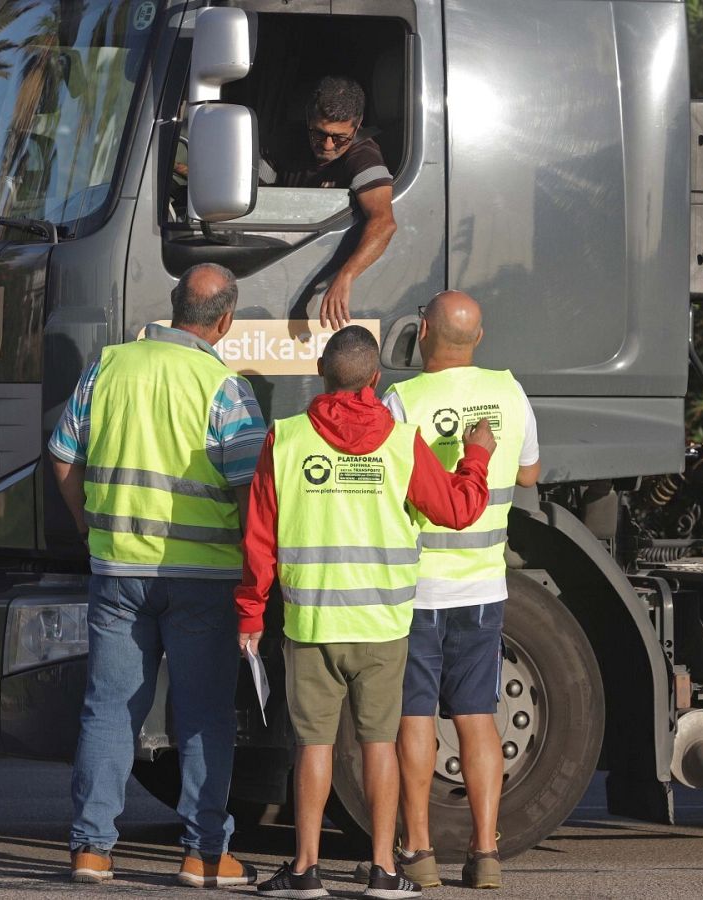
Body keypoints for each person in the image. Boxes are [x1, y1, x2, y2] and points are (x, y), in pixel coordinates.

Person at [235, 325, 496, 900]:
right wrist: (476, 455)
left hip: (311, 626)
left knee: (313, 747)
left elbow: (259, 539)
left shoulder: (286, 439)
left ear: (323, 374)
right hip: (383, 626)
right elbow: (457, 510)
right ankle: (383, 868)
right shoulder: (404, 443)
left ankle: (305, 870)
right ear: (376, 380)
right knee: (379, 745)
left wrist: (251, 613)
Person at [47, 263, 267, 888]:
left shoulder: (109, 366)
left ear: (174, 308)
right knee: (202, 715)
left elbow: (63, 453)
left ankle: (91, 849)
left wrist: (90, 524)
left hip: (117, 570)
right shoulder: (223, 388)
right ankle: (204, 855)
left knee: (111, 708)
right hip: (203, 578)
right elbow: (250, 487)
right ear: (224, 321)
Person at [379, 291, 540, 891]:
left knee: (414, 717)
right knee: (477, 716)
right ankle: (486, 852)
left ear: (423, 332)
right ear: (479, 335)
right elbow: (528, 473)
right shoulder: (508, 392)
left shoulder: (402, 399)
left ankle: (418, 851)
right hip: (481, 587)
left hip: (416, 590)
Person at [265, 76, 397, 331]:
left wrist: (346, 275)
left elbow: (384, 222)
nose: (327, 145)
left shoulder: (364, 157)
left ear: (357, 127)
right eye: (319, 133)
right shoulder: (282, 142)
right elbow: (253, 198)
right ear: (307, 119)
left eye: (340, 138)